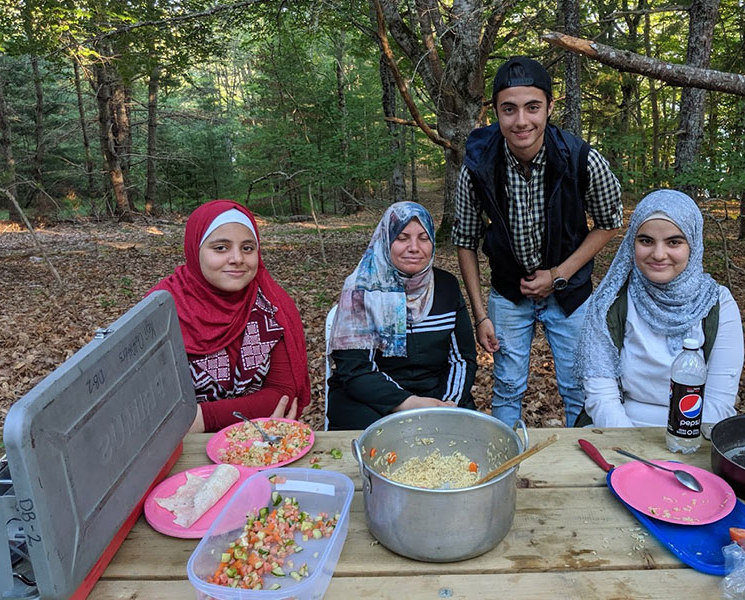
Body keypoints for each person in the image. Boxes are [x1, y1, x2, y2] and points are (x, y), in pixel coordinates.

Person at [451, 56, 623, 427]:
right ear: (494, 111)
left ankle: (581, 465)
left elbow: (609, 223)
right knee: (507, 386)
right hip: (508, 294)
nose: (521, 121)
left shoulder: (582, 160)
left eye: (533, 107)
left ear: (550, 106)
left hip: (570, 291)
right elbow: (465, 241)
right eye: (508, 109)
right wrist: (481, 314)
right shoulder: (478, 167)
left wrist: (558, 273)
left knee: (579, 387)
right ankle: (506, 467)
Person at [575, 189, 744, 427]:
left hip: (694, 433)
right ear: (632, 241)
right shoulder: (609, 302)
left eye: (674, 242)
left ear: (693, 244)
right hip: (618, 431)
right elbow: (602, 398)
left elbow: (718, 403)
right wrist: (635, 456)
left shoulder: (718, 304)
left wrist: (678, 449)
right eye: (646, 241)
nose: (658, 254)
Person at [149, 200, 310, 433]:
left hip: (260, 442)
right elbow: (151, 407)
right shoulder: (162, 310)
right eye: (220, 248)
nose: (237, 258)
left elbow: (281, 394)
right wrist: (256, 414)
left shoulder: (271, 306)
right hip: (181, 450)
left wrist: (199, 419)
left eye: (247, 248)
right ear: (195, 250)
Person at [327, 201, 477, 430]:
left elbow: (462, 358)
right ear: (386, 240)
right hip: (371, 399)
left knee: (462, 434)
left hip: (436, 393)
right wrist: (408, 404)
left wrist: (447, 404)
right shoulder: (361, 290)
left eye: (423, 238)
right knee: (381, 436)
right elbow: (355, 370)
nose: (414, 247)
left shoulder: (446, 286)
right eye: (402, 237)